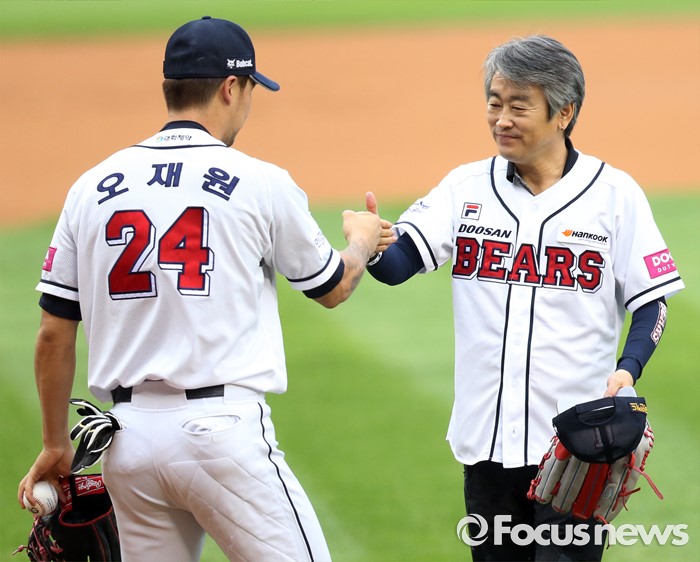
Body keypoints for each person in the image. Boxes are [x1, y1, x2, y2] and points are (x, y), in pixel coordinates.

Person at [18, 16, 394, 561]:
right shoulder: (260, 181)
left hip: (128, 443)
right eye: (251, 90)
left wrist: (56, 442)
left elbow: (54, 332)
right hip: (222, 438)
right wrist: (361, 240)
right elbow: (332, 287)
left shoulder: (90, 188)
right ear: (230, 88)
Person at [365, 35, 684, 561]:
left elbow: (653, 302)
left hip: (577, 446)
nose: (501, 120)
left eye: (519, 106)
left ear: (564, 113)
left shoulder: (614, 196)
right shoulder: (465, 187)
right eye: (494, 104)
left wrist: (628, 370)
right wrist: (373, 244)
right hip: (486, 444)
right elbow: (398, 266)